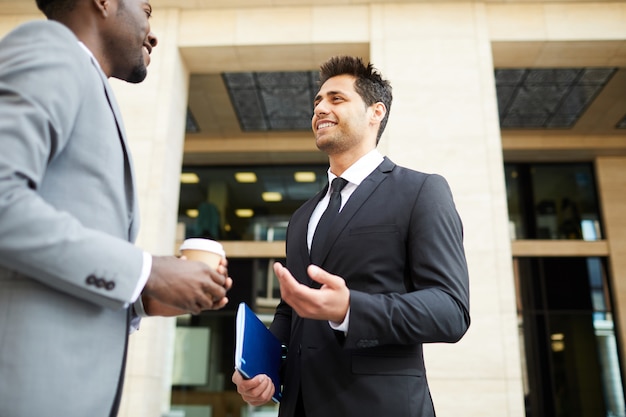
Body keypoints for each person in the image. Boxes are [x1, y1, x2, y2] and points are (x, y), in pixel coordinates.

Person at [0, 1, 232, 416]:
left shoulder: (89, 82)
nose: (153, 32)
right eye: (146, 9)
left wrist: (145, 294)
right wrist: (147, 270)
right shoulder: (51, 48)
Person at [232, 56, 470, 417]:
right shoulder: (302, 217)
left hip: (380, 405)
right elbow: (293, 309)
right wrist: (262, 369)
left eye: (336, 99)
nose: (320, 108)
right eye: (317, 102)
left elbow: (450, 310)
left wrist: (350, 309)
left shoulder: (421, 191)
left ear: (376, 112)